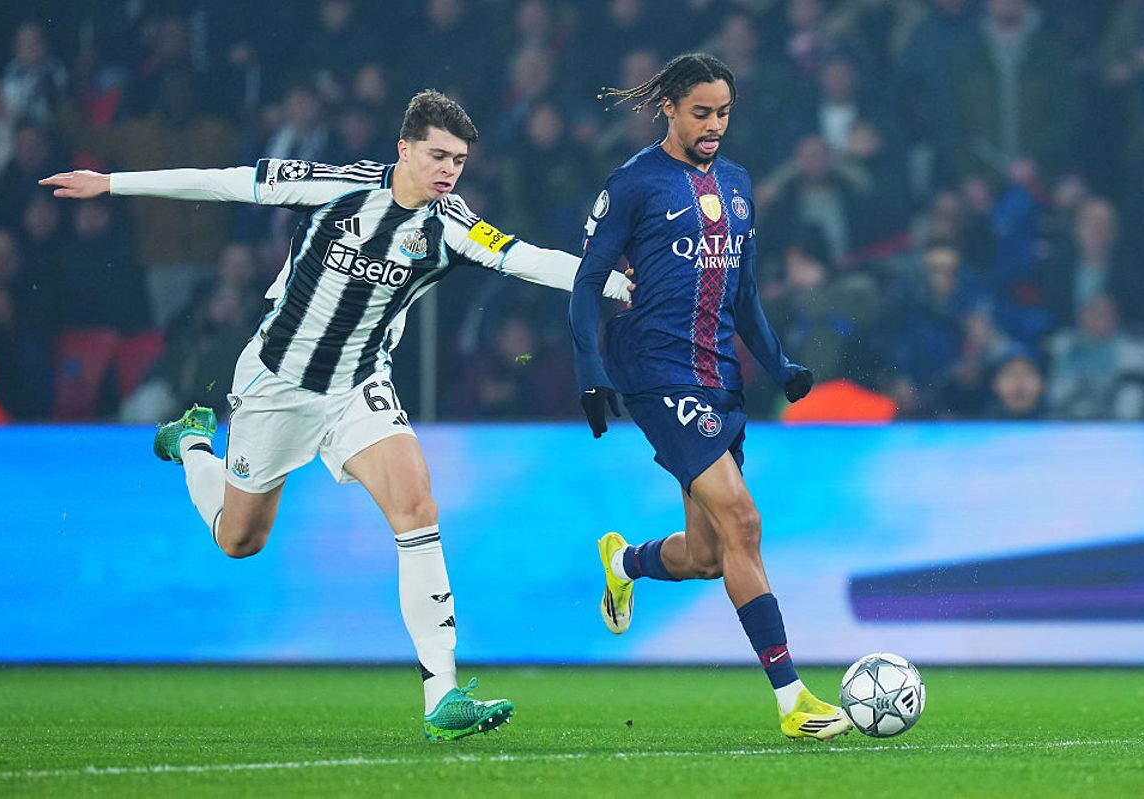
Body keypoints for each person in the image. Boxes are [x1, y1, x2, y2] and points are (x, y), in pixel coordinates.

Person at [42, 89, 632, 741]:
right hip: (276, 386)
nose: (448, 171)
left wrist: (609, 280)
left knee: (416, 504)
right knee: (240, 540)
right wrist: (112, 183)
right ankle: (191, 444)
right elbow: (225, 183)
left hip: (358, 386)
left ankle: (441, 694)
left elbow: (523, 258)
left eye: (459, 161)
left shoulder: (452, 224)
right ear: (403, 148)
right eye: (438, 155)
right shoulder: (334, 187)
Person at [568, 53, 850, 741]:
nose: (714, 125)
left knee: (706, 555)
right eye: (701, 112)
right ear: (668, 106)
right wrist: (589, 371)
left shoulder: (740, 185)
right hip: (657, 373)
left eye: (723, 112)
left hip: (719, 376)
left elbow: (745, 291)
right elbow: (585, 283)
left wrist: (780, 367)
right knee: (744, 522)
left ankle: (625, 561)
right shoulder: (635, 184)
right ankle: (793, 700)